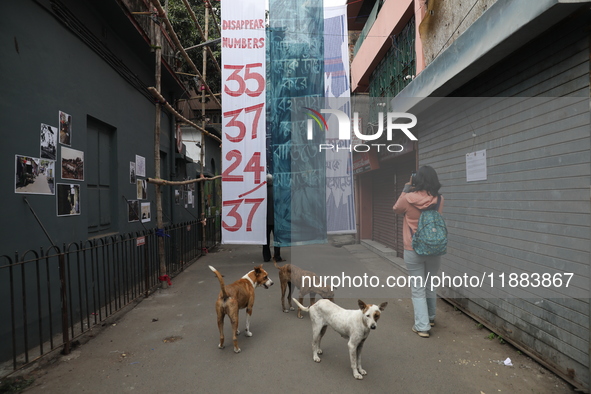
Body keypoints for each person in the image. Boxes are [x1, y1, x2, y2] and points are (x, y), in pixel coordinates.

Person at [393, 165, 444, 338]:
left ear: (417, 180)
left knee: (418, 288)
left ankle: (422, 326)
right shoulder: (439, 199)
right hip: (434, 247)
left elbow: (396, 209)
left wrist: (406, 189)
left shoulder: (407, 198)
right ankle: (429, 318)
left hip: (413, 248)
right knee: (430, 284)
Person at [263, 174, 284, 262]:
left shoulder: (262, 192)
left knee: (265, 240)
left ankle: (266, 257)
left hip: (265, 220)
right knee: (277, 240)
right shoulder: (277, 192)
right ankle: (277, 256)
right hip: (276, 220)